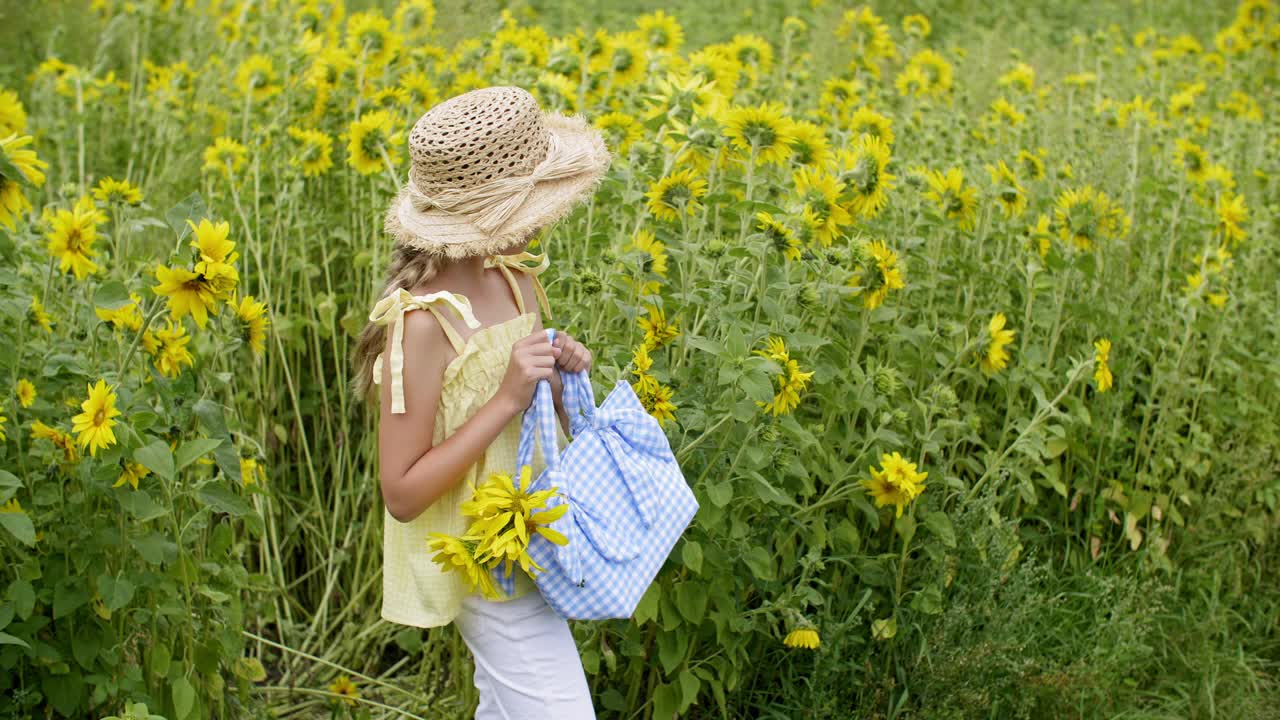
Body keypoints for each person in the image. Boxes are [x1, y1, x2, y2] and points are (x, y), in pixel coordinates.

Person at [350, 85, 611, 719]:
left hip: (534, 541)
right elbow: (402, 494)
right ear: (499, 213)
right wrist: (504, 399)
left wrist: (556, 371)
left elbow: (529, 412)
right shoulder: (421, 326)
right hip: (481, 560)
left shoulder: (513, 277)